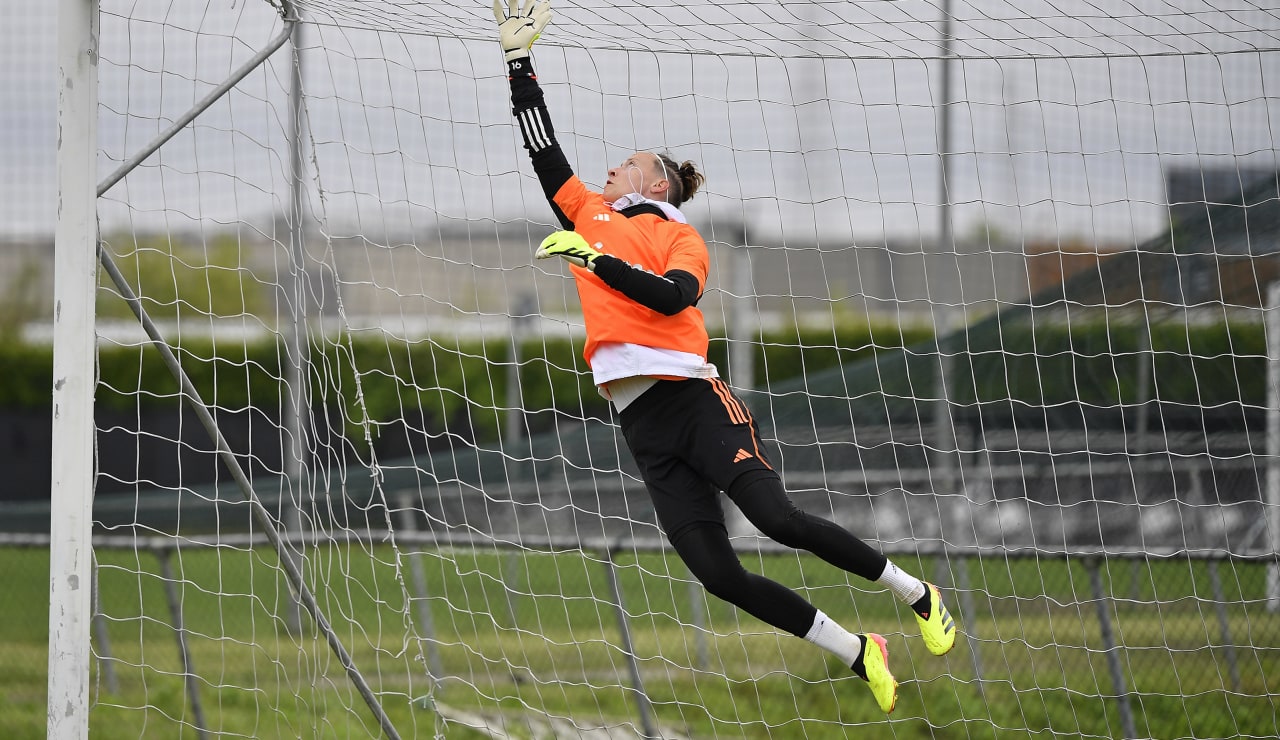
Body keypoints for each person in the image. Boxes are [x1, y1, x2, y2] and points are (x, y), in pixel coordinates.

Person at [492, 0, 955, 713]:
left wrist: (598, 262)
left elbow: (675, 298)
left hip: (695, 401)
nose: (611, 167)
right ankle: (860, 651)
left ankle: (915, 592)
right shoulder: (590, 213)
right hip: (640, 424)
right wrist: (518, 64)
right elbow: (543, 151)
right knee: (717, 574)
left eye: (630, 163)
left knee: (778, 520)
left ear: (656, 185)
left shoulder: (681, 238)